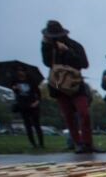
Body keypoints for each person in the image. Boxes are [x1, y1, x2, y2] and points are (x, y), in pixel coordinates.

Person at [41, 20, 102, 153]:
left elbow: (84, 64)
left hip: (75, 83)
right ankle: (78, 143)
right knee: (68, 115)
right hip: (58, 83)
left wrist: (68, 52)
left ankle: (88, 143)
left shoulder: (74, 45)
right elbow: (47, 63)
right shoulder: (49, 47)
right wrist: (46, 45)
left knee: (84, 113)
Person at [11, 67, 43, 148]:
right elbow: (16, 94)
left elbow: (38, 93)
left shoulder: (31, 81)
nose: (20, 72)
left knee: (37, 125)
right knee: (27, 125)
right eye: (19, 70)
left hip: (33, 105)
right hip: (23, 106)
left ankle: (41, 143)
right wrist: (15, 89)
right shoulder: (15, 82)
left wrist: (37, 102)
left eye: (22, 70)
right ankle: (33, 144)